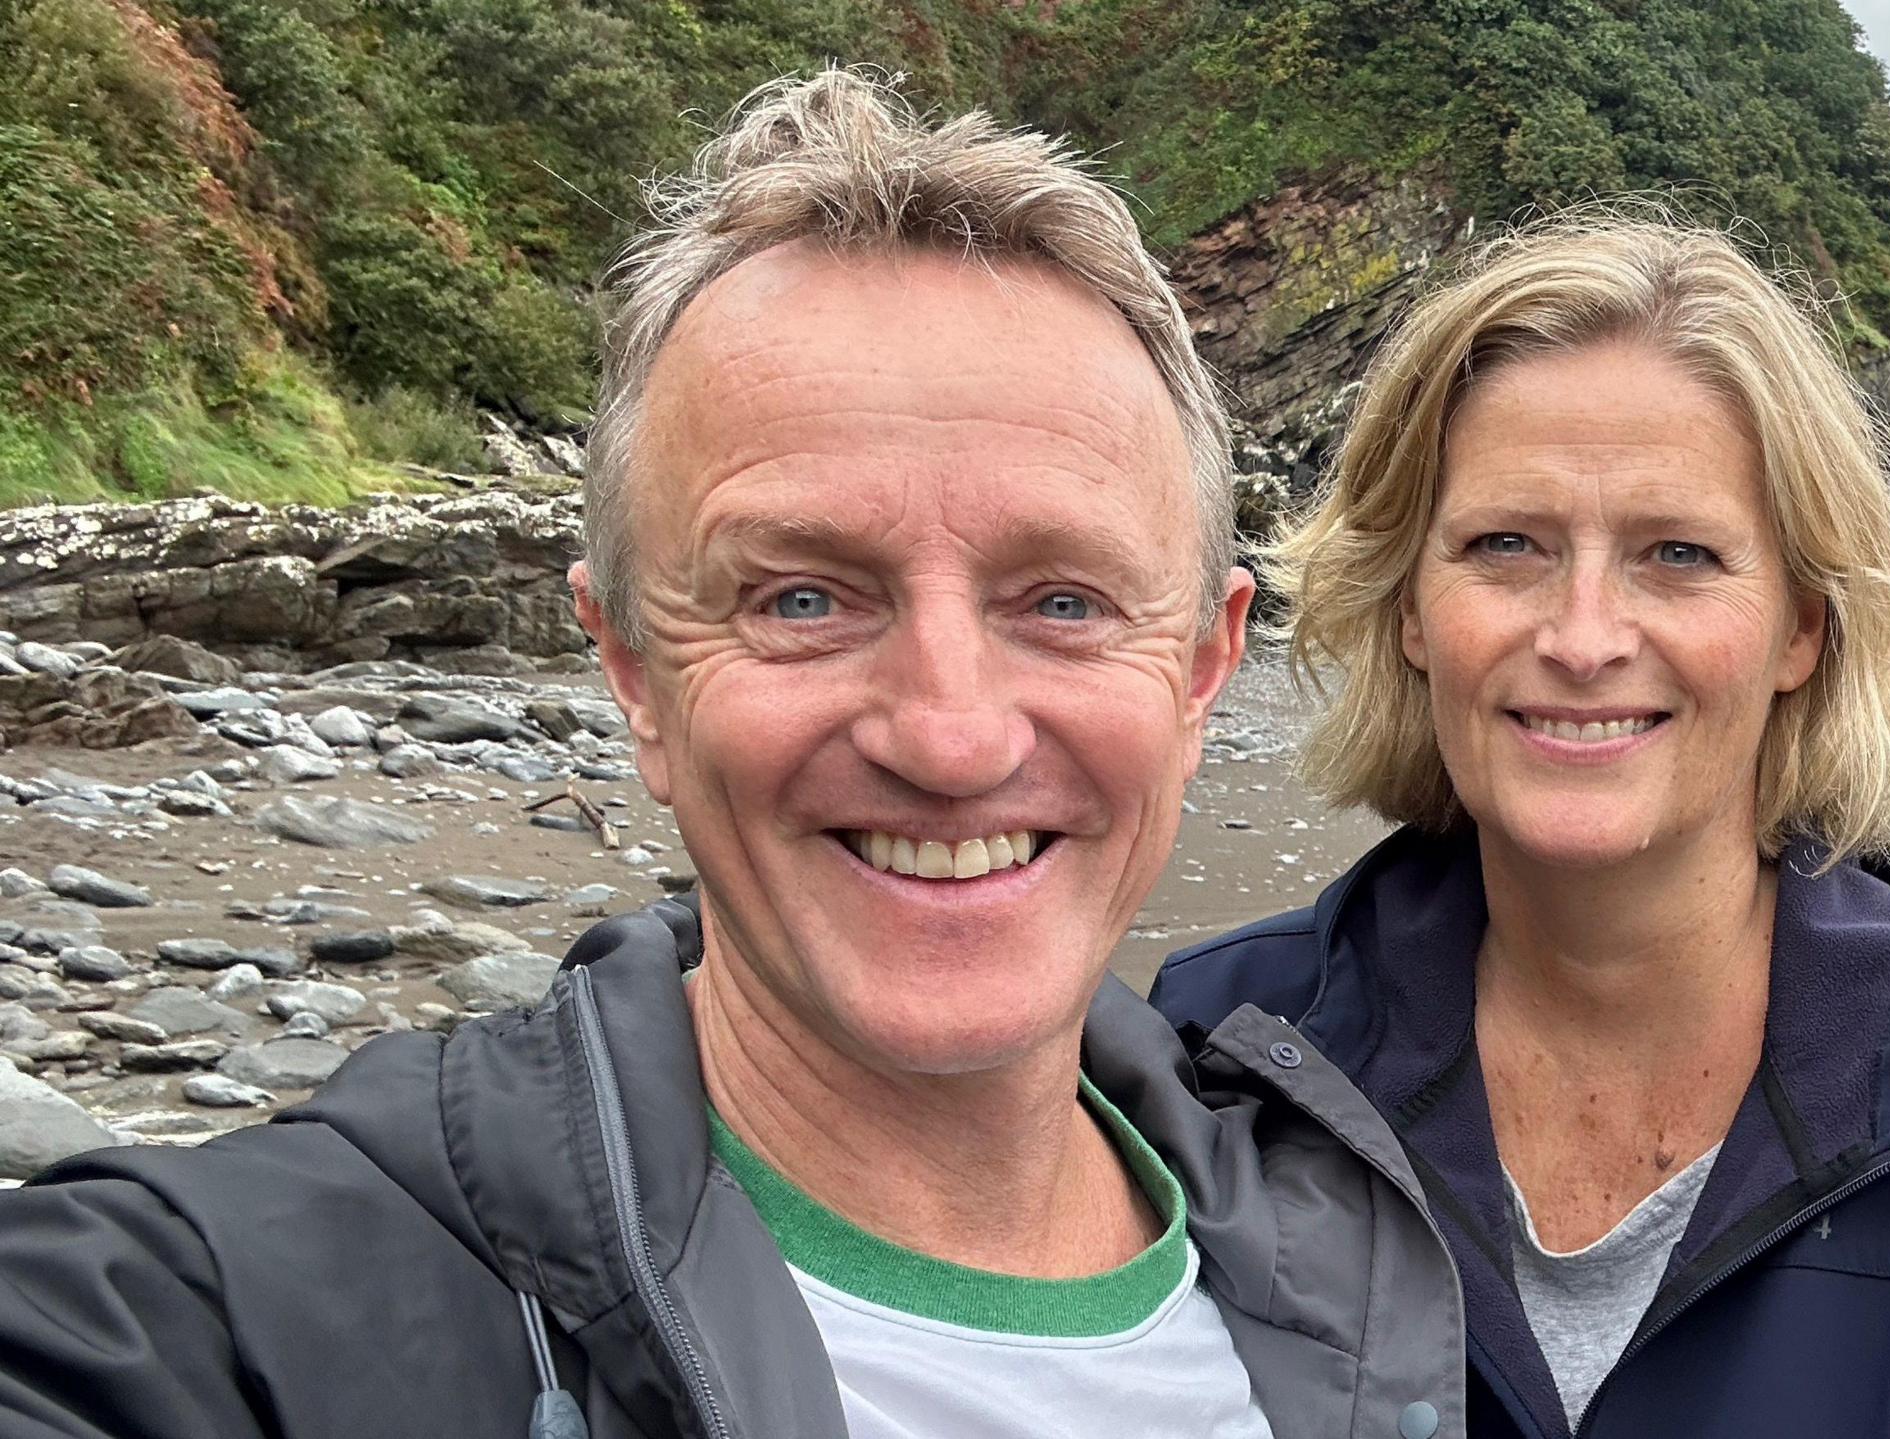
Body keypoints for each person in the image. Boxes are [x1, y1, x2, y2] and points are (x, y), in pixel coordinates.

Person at [0, 70, 1466, 1439]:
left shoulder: (1363, 1269)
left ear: (1206, 663)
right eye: (804, 598)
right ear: (631, 663)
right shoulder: (257, 1302)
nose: (951, 735)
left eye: (1065, 602)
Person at [1151, 212, 1890, 1437]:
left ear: (1803, 626)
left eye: (1677, 552)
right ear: (1409, 604)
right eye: (1505, 543)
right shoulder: (1229, 1050)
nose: (1582, 636)